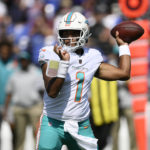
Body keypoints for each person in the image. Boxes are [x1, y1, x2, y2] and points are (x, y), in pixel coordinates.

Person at [36, 11, 131, 150]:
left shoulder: (91, 57)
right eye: (65, 33)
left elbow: (123, 73)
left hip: (81, 124)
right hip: (52, 123)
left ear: (85, 33)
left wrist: (123, 46)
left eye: (73, 32)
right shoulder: (52, 55)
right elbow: (52, 91)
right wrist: (63, 63)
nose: (69, 38)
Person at [3, 51, 44, 150]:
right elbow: (9, 93)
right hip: (19, 108)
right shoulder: (14, 75)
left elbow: (43, 92)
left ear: (29, 60)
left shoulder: (37, 73)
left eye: (25, 60)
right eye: (21, 60)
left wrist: (43, 108)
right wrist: (6, 110)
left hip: (34, 107)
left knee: (37, 134)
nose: (23, 62)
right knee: (19, 136)